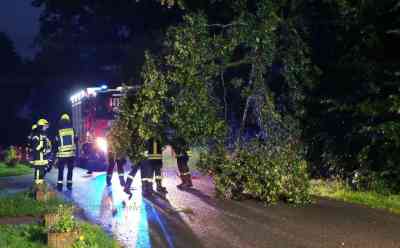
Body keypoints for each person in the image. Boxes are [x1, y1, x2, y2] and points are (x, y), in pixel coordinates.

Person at [54, 114, 77, 191]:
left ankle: (60, 186)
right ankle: (69, 185)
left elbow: (56, 143)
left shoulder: (58, 131)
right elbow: (76, 140)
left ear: (61, 121)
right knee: (70, 170)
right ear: (68, 120)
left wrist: (55, 154)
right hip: (71, 154)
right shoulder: (72, 129)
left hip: (62, 154)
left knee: (61, 170)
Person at [31, 118, 51, 185]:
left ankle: (40, 188)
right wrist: (45, 150)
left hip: (43, 158)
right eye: (45, 126)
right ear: (41, 126)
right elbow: (36, 148)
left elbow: (47, 145)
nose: (46, 127)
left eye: (46, 126)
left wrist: (48, 149)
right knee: (38, 174)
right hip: (38, 158)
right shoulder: (36, 136)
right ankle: (36, 188)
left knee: (42, 174)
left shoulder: (44, 135)